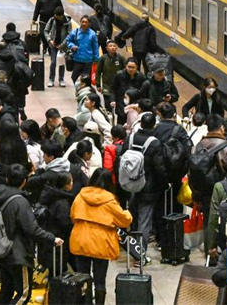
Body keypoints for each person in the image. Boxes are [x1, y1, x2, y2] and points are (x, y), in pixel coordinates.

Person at [0, 164, 62, 305]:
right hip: (18, 254)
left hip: (2, 250)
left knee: (6, 290)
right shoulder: (20, 202)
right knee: (23, 294)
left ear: (6, 179)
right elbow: (32, 230)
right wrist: (51, 238)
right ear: (24, 181)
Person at [70, 169, 133, 304]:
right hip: (101, 243)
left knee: (82, 278)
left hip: (80, 239)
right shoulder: (110, 201)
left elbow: (72, 215)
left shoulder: (80, 196)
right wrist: (128, 212)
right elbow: (124, 220)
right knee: (100, 280)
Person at [117, 112, 165, 265]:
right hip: (147, 187)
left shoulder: (130, 138)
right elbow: (159, 167)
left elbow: (123, 158)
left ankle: (128, 246)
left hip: (129, 185)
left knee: (132, 218)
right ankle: (140, 255)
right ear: (153, 125)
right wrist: (164, 185)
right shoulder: (154, 143)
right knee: (145, 222)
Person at [63, 15, 100, 84]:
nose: (84, 24)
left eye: (86, 22)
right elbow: (68, 40)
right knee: (74, 77)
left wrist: (96, 59)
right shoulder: (75, 32)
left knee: (87, 79)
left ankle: (86, 92)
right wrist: (72, 46)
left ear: (89, 23)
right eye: (82, 22)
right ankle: (79, 89)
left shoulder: (92, 34)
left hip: (88, 61)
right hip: (77, 60)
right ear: (80, 22)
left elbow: (95, 47)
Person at [111, 58, 146, 124]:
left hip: (134, 103)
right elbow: (113, 89)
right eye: (129, 67)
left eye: (133, 67)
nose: (130, 69)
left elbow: (142, 91)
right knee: (121, 122)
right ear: (126, 66)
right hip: (121, 102)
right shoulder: (119, 75)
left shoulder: (140, 76)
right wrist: (113, 100)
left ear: (136, 67)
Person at [44, 7, 71, 87]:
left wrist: (62, 45)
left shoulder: (68, 22)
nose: (57, 18)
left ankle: (61, 79)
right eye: (56, 16)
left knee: (61, 63)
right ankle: (51, 79)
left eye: (59, 17)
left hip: (63, 46)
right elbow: (45, 31)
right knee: (53, 62)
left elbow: (69, 35)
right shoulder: (52, 20)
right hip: (53, 45)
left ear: (62, 15)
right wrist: (49, 40)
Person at [96, 41, 125, 113]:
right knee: (107, 104)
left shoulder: (120, 58)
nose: (112, 48)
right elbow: (98, 71)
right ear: (106, 48)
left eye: (114, 46)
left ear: (116, 47)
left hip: (118, 85)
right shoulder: (103, 58)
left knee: (119, 104)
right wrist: (98, 84)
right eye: (110, 46)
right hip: (107, 85)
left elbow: (125, 70)